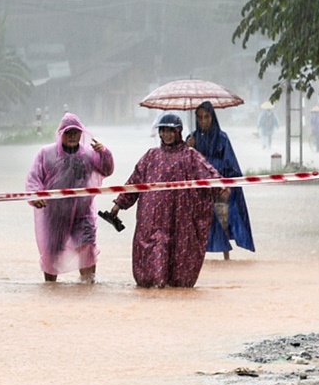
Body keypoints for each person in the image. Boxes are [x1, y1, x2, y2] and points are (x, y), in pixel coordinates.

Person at [99, 112, 227, 288]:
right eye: (163, 130)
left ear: (178, 132)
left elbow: (209, 173)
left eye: (170, 131)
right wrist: (118, 205)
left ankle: (171, 293)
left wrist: (221, 186)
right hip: (152, 219)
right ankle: (156, 291)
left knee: (179, 255)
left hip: (179, 219)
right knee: (155, 251)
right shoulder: (151, 156)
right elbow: (135, 182)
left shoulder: (190, 156)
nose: (166, 134)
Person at [25, 112, 114, 282]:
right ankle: (50, 288)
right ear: (61, 134)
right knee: (52, 252)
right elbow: (34, 178)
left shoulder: (89, 154)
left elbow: (106, 170)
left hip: (83, 213)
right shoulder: (46, 153)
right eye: (68, 132)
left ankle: (88, 286)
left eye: (76, 132)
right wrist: (36, 196)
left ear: (81, 134)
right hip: (54, 214)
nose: (72, 136)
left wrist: (104, 153)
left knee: (87, 247)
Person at [191, 101, 255, 260]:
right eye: (200, 117)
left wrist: (206, 159)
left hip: (220, 189)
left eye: (206, 117)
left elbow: (230, 165)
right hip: (199, 191)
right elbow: (185, 165)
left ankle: (226, 255)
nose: (203, 121)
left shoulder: (222, 139)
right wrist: (188, 148)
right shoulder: (192, 139)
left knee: (223, 221)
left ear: (212, 117)